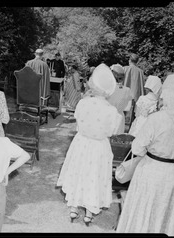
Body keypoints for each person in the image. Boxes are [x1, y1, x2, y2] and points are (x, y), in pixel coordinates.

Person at [116, 72, 174, 235]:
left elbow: (136, 148)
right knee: (165, 212)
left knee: (144, 210)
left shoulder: (158, 118)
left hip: (151, 169)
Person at [57, 63, 122, 226]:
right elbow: (112, 132)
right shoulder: (111, 110)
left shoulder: (83, 103)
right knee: (94, 175)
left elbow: (78, 124)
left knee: (78, 171)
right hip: (99, 146)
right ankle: (89, 212)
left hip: (81, 143)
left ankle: (73, 207)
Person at [107, 64, 133, 134]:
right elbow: (128, 108)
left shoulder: (107, 89)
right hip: (120, 118)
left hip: (107, 116)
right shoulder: (127, 90)